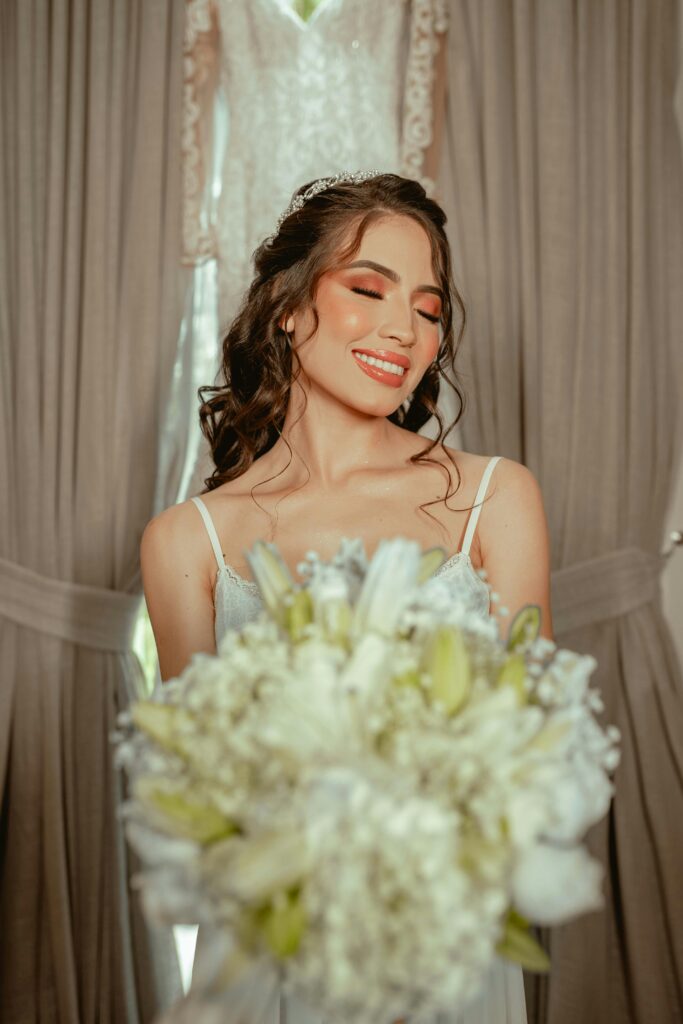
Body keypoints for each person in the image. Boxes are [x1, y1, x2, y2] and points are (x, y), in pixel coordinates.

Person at [141, 171, 553, 1023]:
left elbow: (534, 761)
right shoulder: (189, 541)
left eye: (430, 310)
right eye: (369, 289)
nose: (405, 328)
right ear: (288, 308)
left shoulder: (493, 497)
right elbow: (197, 809)